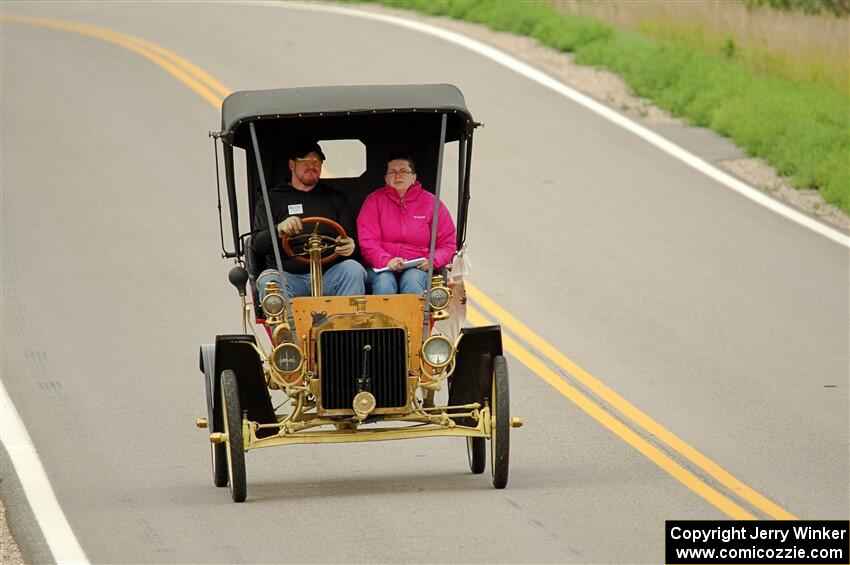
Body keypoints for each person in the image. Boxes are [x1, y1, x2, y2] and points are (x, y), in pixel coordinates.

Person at [253, 140, 366, 300]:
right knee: (268, 281)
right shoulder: (271, 199)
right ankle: (285, 325)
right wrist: (279, 229)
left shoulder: (335, 198)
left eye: (317, 162)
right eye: (306, 161)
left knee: (353, 269)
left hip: (329, 276)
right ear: (292, 165)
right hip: (288, 277)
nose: (312, 166)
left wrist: (351, 247)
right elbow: (256, 244)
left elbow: (351, 239)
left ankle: (345, 323)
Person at [357, 154, 457, 295]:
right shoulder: (373, 201)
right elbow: (368, 241)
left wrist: (432, 261)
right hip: (382, 267)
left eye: (403, 171)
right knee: (385, 282)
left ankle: (414, 317)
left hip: (417, 268)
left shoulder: (432, 203)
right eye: (392, 172)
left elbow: (448, 244)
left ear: (413, 177)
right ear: (386, 178)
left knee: (412, 279)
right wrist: (386, 261)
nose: (398, 176)